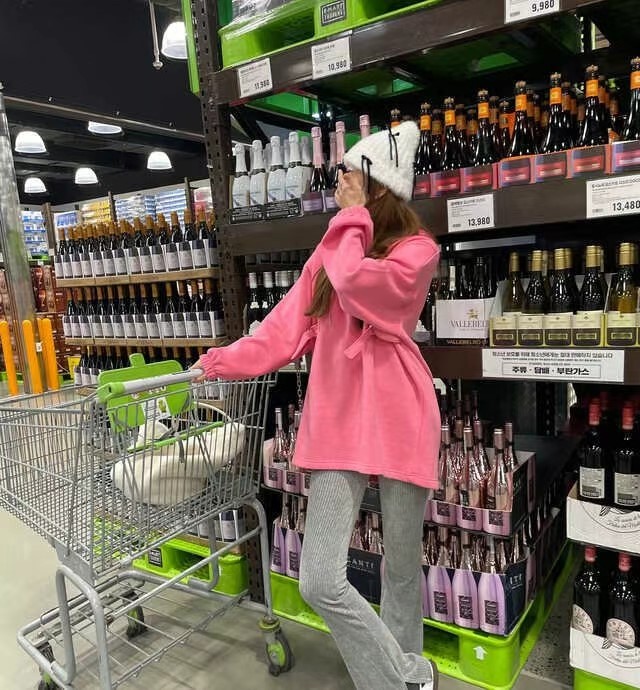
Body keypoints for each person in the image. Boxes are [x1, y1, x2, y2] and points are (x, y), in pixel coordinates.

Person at [194, 120, 441, 690]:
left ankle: (392, 683)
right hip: (339, 420)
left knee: (403, 570)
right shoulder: (333, 250)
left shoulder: (417, 252)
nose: (338, 182)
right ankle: (409, 675)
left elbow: (357, 283)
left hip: (402, 415)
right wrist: (219, 361)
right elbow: (281, 328)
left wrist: (351, 220)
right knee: (319, 579)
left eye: (349, 174)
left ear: (378, 186)